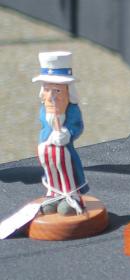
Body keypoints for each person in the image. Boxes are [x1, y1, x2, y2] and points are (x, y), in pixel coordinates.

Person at [33, 51, 87, 214]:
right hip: (47, 148)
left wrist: (68, 133)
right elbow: (44, 127)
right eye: (47, 90)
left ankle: (70, 196)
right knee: (49, 167)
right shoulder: (44, 110)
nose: (51, 97)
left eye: (57, 91)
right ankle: (53, 193)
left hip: (64, 150)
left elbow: (77, 126)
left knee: (65, 166)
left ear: (68, 92)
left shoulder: (72, 110)